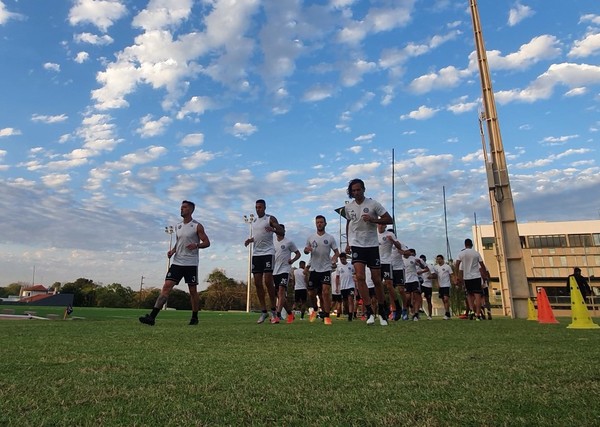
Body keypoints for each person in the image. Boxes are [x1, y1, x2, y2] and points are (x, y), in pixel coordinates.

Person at [139, 200, 210, 326]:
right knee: (166, 287)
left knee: (192, 291)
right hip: (177, 262)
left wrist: (197, 245)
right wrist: (172, 251)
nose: (181, 209)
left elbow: (207, 242)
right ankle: (152, 317)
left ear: (191, 210)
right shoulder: (177, 226)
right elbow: (179, 243)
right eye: (181, 207)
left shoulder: (197, 226)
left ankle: (194, 317)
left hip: (190, 263)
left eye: (184, 207)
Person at [344, 178, 393, 326]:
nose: (356, 192)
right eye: (354, 190)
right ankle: (369, 311)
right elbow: (348, 222)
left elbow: (389, 220)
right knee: (360, 277)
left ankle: (383, 310)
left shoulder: (373, 204)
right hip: (357, 245)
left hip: (372, 245)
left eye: (359, 189)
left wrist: (374, 220)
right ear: (351, 192)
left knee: (377, 280)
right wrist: (348, 242)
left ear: (364, 189)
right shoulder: (348, 207)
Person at [244, 199, 283, 324]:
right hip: (256, 254)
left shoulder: (270, 219)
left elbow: (282, 231)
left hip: (268, 253)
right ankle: (263, 311)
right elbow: (258, 235)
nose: (258, 209)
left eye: (260, 207)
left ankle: (273, 311)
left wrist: (274, 229)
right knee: (257, 283)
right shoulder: (254, 221)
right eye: (256, 207)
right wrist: (250, 240)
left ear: (265, 207)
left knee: (267, 281)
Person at [304, 215, 340, 325]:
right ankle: (315, 309)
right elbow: (305, 250)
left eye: (321, 222)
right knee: (311, 293)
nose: (319, 224)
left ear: (325, 223)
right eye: (317, 222)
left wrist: (334, 258)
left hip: (325, 269)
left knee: (325, 292)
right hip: (314, 269)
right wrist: (307, 250)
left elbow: (337, 252)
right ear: (315, 224)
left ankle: (327, 316)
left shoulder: (330, 238)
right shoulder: (311, 237)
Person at [271, 224, 301, 324]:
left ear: (284, 231)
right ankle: (290, 314)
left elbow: (298, 253)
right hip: (275, 271)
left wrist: (292, 260)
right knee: (279, 296)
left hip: (285, 270)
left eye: (281, 230)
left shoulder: (289, 242)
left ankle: (277, 315)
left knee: (281, 291)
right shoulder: (273, 242)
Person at [455, 238, 488, 321]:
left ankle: (471, 311)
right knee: (478, 296)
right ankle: (478, 314)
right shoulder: (476, 253)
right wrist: (484, 275)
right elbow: (482, 264)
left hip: (467, 277)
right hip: (476, 276)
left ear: (465, 244)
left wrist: (457, 276)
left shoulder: (461, 253)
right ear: (471, 244)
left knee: (469, 295)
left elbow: (457, 264)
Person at [377, 224, 404, 321]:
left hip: (387, 262)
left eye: (382, 224)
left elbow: (399, 246)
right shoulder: (374, 234)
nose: (380, 226)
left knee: (389, 285)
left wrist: (392, 241)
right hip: (377, 263)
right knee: (378, 285)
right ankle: (384, 307)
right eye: (379, 224)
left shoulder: (389, 234)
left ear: (385, 225)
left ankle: (398, 307)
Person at [431, 254, 454, 319]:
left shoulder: (447, 267)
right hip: (440, 286)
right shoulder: (435, 267)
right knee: (443, 300)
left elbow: (451, 275)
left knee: (446, 299)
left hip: (446, 285)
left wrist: (454, 281)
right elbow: (435, 276)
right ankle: (447, 313)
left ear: (442, 259)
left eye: (439, 259)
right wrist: (437, 284)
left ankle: (447, 313)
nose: (438, 260)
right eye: (437, 259)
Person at [335, 252, 356, 321]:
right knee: (345, 302)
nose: (342, 261)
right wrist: (337, 287)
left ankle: (350, 316)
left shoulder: (351, 266)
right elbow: (337, 277)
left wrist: (356, 285)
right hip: (343, 287)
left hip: (350, 286)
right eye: (341, 259)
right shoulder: (338, 267)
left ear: (346, 259)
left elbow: (355, 274)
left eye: (343, 259)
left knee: (350, 300)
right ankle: (348, 312)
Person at [403, 249, 422, 321]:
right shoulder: (401, 259)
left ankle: (416, 314)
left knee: (416, 297)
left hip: (414, 280)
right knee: (407, 298)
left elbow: (423, 266)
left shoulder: (414, 259)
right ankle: (407, 312)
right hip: (406, 281)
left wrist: (420, 263)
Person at [417, 254, 434, 320]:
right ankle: (417, 313)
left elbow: (434, 275)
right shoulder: (417, 267)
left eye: (423, 259)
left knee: (428, 300)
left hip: (428, 285)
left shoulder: (430, 266)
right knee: (417, 298)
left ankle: (430, 315)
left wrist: (430, 277)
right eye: (421, 260)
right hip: (420, 284)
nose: (422, 261)